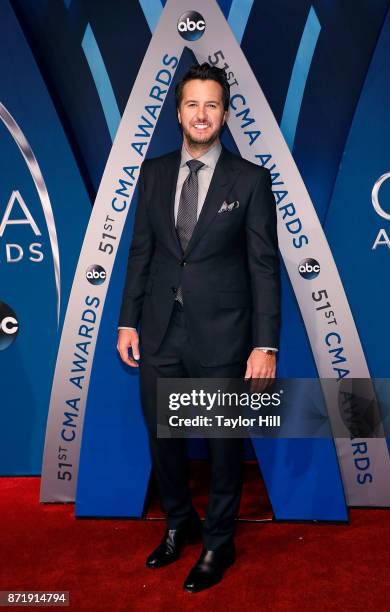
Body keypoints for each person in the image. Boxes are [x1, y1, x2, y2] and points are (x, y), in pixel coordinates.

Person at [117, 63, 280, 593]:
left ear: (226, 115)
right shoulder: (153, 172)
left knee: (222, 443)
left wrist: (265, 344)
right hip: (160, 330)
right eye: (193, 104)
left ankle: (218, 540)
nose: (202, 114)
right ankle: (178, 522)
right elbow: (141, 252)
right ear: (178, 113)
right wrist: (127, 321)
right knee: (163, 438)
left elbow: (263, 265)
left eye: (212, 105)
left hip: (223, 336)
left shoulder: (251, 180)